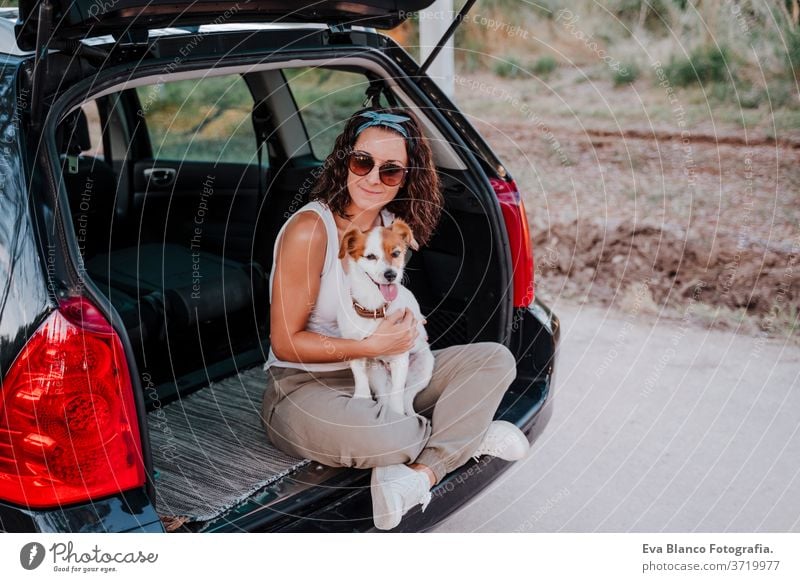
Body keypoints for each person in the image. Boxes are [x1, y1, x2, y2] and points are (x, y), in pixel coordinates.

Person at [261, 107, 530, 531]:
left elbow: (391, 307)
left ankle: (419, 473)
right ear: (344, 160)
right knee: (392, 436)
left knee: (495, 359)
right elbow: (285, 343)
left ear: (407, 177)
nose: (372, 178)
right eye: (362, 162)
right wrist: (371, 346)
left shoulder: (390, 225)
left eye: (390, 171)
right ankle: (466, 439)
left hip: (387, 374)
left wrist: (404, 327)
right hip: (305, 384)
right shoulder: (312, 230)